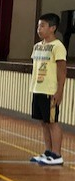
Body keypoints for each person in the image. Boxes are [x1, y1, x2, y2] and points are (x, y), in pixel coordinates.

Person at [30, 13, 67, 166]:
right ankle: (48, 152)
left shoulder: (58, 46)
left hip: (50, 91)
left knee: (52, 122)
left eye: (42, 26)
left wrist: (59, 91)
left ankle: (57, 155)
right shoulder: (37, 46)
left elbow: (62, 71)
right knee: (43, 122)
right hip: (38, 89)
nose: (39, 29)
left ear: (52, 28)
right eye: (38, 26)